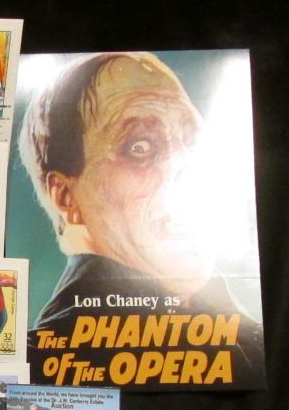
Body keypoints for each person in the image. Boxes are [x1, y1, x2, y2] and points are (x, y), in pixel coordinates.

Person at [18, 52, 263, 375]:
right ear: (65, 196)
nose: (189, 168)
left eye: (192, 141)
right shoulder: (38, 365)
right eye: (140, 147)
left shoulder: (254, 343)